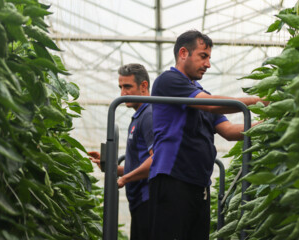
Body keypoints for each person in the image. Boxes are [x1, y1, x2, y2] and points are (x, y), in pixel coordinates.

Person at [149, 30, 266, 240]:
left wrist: (269, 123)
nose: (208, 64)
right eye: (203, 56)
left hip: (198, 184)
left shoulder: (200, 94)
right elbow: (212, 105)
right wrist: (259, 100)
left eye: (209, 58)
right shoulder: (169, 81)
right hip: (173, 179)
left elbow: (229, 131)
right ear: (183, 53)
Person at [88, 63, 153, 240]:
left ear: (144, 86)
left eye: (127, 87)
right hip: (139, 202)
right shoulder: (139, 116)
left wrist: (124, 179)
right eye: (120, 87)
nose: (122, 93)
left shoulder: (149, 115)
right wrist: (110, 167)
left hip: (149, 201)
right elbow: (139, 166)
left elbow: (155, 161)